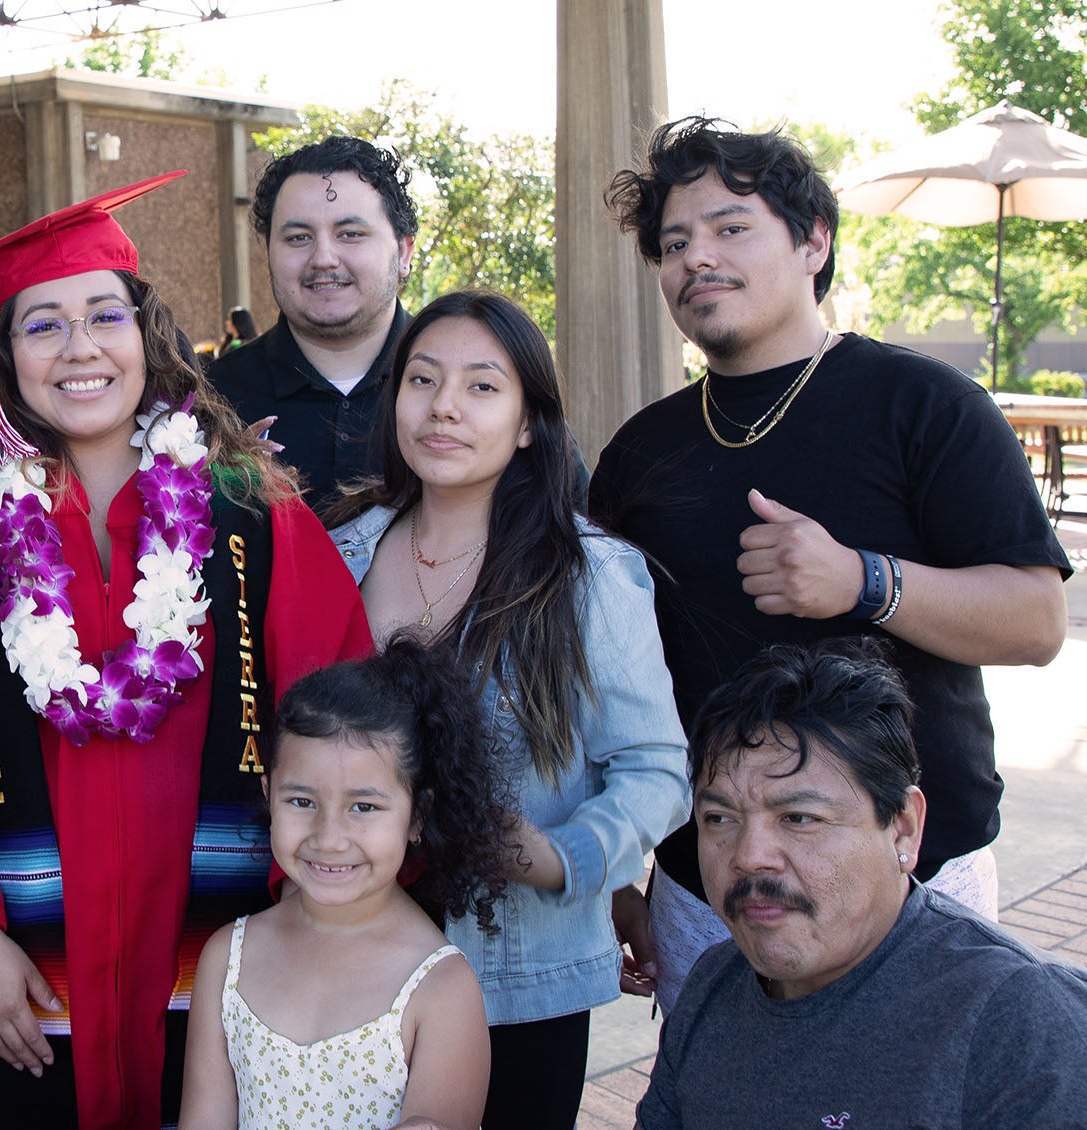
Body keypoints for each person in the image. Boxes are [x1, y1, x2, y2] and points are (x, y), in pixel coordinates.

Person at [0, 170, 375, 1130]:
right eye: (41, 324)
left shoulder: (251, 513)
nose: (79, 347)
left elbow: (342, 727)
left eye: (104, 314)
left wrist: (306, 921)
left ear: (148, 334)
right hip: (19, 947)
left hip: (220, 942)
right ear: (4, 356)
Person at [593, 118, 1070, 1014]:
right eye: (674, 243)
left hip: (914, 878)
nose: (698, 258)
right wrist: (620, 874)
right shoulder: (638, 454)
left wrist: (863, 581)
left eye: (732, 227)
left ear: (814, 241)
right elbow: (605, 679)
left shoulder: (927, 405)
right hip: (712, 890)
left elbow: (1037, 622)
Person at [324, 290, 688, 1128]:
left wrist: (564, 859)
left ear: (529, 422)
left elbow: (658, 767)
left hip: (515, 975)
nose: (444, 406)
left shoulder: (587, 573)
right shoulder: (337, 550)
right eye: (422, 380)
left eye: (483, 386)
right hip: (346, 958)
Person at [638, 642, 1087, 1128]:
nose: (748, 857)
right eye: (719, 818)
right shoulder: (714, 986)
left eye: (799, 817)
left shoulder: (1020, 1020)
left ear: (903, 828)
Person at [179, 637, 505, 1130]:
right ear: (269, 794)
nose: (329, 839)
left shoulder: (440, 989)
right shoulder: (227, 959)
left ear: (417, 816)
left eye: (364, 807)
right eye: (302, 801)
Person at [208, 136, 417, 511]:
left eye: (350, 234)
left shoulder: (465, 393)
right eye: (298, 237)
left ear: (403, 252)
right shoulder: (210, 404)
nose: (323, 259)